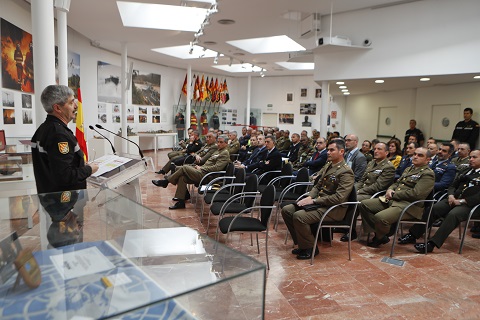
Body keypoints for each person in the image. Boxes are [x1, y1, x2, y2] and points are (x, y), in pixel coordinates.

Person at [281, 139, 354, 260]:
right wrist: (310, 196)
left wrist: (314, 201)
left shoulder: (346, 172)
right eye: (328, 150)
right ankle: (302, 243)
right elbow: (318, 185)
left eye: (332, 150)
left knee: (299, 216)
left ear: (341, 151)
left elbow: (339, 198)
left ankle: (310, 248)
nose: (328, 152)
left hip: (333, 209)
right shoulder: (329, 165)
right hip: (320, 203)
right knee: (287, 210)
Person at [397, 150, 480, 251]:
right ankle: (413, 235)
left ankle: (432, 244)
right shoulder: (466, 170)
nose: (470, 159)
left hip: (471, 205)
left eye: (474, 157)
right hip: (454, 199)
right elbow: (453, 185)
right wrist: (450, 195)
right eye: (470, 157)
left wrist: (462, 201)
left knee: (453, 215)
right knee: (434, 208)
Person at [359, 147, 435, 247]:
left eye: (420, 155)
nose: (415, 157)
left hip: (408, 206)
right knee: (364, 204)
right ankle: (381, 235)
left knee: (380, 217)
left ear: (428, 159)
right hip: (393, 200)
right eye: (415, 154)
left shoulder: (428, 174)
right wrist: (390, 189)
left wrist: (395, 194)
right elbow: (397, 183)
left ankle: (379, 237)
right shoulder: (409, 169)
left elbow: (417, 194)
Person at [31, 85, 99, 194]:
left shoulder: (43, 129)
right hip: (65, 203)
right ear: (57, 108)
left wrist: (80, 164)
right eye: (71, 103)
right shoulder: (58, 135)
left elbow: (55, 166)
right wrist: (89, 169)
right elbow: (65, 176)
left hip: (50, 197)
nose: (76, 106)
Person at [151, 135, 231, 209]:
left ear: (226, 143)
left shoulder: (225, 153)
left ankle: (166, 181)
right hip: (202, 171)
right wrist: (200, 167)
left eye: (221, 142)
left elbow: (217, 168)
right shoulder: (218, 151)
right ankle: (181, 202)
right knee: (182, 177)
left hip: (207, 176)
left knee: (184, 167)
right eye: (218, 142)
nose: (219, 144)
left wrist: (202, 168)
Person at [340, 142, 395, 242]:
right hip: (364, 191)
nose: (376, 151)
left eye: (379, 149)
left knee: (354, 200)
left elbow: (378, 186)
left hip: (375, 194)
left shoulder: (388, 167)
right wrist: (353, 190)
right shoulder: (371, 163)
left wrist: (359, 191)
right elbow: (362, 180)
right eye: (375, 149)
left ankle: (351, 231)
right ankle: (345, 225)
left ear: (386, 152)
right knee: (347, 195)